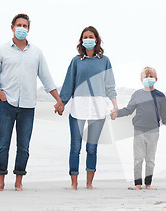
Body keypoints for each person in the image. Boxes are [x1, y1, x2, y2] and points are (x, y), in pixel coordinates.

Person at [0, 13, 64, 192]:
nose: (22, 28)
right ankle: (1, 181)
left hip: (28, 106)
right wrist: (2, 97)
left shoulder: (36, 53)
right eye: (18, 25)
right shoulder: (1, 50)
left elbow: (47, 79)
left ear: (29, 29)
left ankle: (19, 181)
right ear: (12, 27)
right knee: (3, 143)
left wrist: (58, 100)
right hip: (7, 105)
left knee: (24, 146)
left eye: (25, 26)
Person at [59, 26, 118, 190]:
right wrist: (61, 103)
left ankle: (90, 183)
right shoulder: (76, 61)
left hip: (98, 108)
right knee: (75, 147)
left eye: (91, 36)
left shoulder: (104, 61)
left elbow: (110, 86)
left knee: (91, 147)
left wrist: (115, 106)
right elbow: (68, 84)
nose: (88, 39)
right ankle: (74, 183)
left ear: (97, 40)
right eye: (85, 36)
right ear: (81, 41)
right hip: (78, 107)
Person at [111, 67, 166, 190]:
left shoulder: (159, 95)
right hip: (139, 130)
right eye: (146, 77)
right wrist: (116, 113)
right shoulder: (137, 94)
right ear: (141, 79)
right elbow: (129, 110)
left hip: (154, 131)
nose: (148, 79)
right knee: (138, 159)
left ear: (156, 79)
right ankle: (138, 184)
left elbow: (165, 115)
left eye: (151, 77)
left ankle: (148, 184)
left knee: (150, 159)